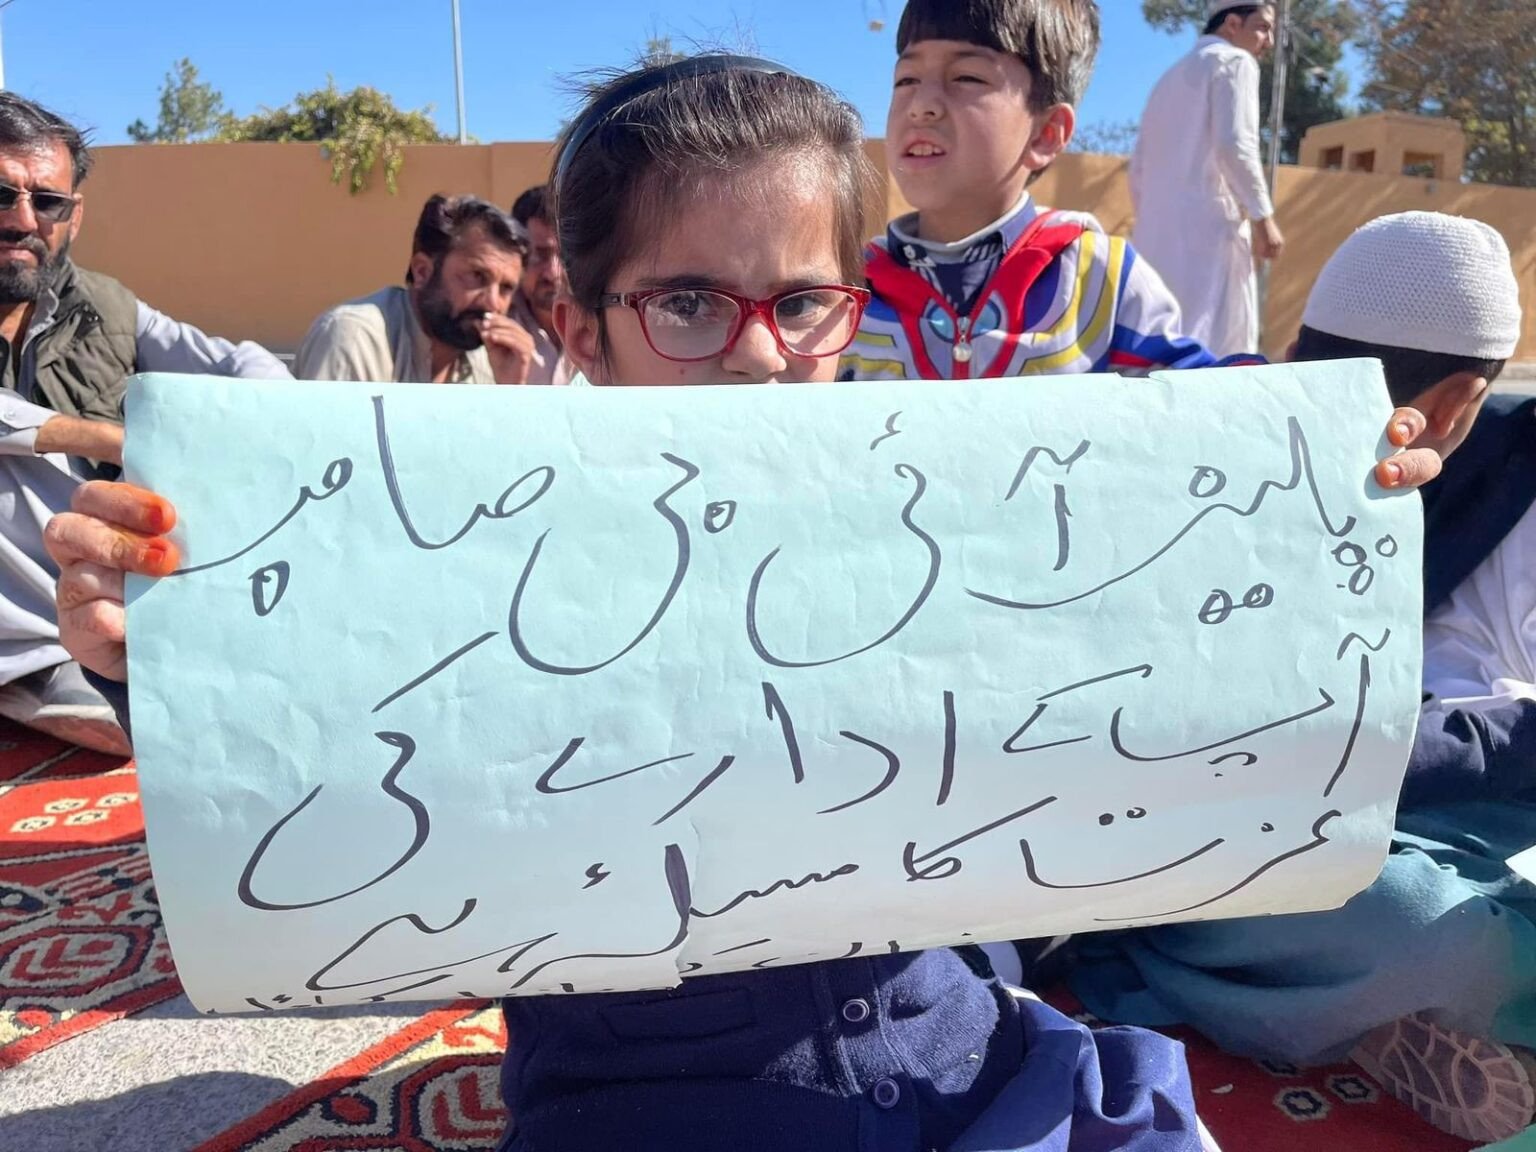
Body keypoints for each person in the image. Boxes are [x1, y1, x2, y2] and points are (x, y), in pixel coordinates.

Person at [42, 56, 1440, 1152]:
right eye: (694, 306)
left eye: (806, 304)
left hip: (969, 1057)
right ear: (582, 328)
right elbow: (328, 776)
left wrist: (1331, 511)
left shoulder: (937, 511)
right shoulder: (473, 565)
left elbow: (1159, 641)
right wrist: (154, 655)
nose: (763, 357)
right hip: (657, 1108)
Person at [1068, 212, 1536, 1145]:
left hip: (1467, 803)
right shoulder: (1240, 454)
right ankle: (1384, 1011)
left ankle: (1364, 1011)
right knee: (1425, 928)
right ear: (1459, 398)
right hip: (1275, 834)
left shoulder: (1518, 480)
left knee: (1450, 915)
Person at [0, 91, 288, 755]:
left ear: (74, 216)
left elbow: (235, 363)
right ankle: (33, 670)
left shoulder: (103, 306)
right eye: (2, 195)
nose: (23, 219)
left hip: (103, 598)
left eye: (47, 202)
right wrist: (105, 436)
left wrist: (271, 415)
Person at [843, 0, 1261, 383]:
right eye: (907, 79)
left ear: (1046, 134)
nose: (922, 104)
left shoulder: (1103, 281)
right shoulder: (844, 292)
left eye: (966, 77)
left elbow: (1200, 404)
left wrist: (1278, 387)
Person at [1128, 3, 1281, 358]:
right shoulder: (1235, 62)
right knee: (1217, 350)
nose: (1268, 41)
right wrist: (1263, 218)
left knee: (1161, 350)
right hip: (1211, 232)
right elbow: (1234, 143)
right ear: (1231, 24)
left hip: (1153, 236)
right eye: (1262, 28)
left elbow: (1137, 170)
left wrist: (1156, 216)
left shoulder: (1168, 78)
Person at [294, 194, 538, 385]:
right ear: (422, 271)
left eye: (506, 288)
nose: (493, 303)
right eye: (477, 276)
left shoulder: (486, 359)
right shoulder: (355, 337)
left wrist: (509, 390)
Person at [508, 185, 575, 385]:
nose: (553, 273)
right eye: (540, 255)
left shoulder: (603, 327)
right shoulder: (494, 325)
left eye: (565, 257)